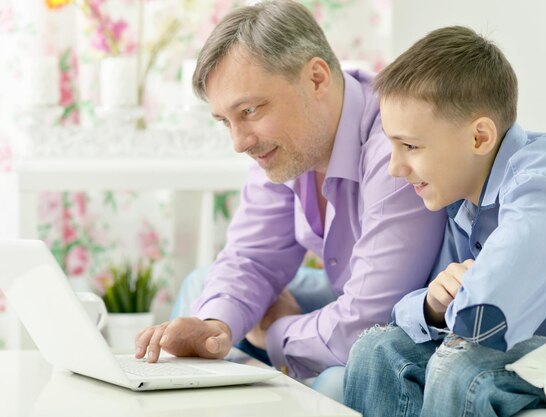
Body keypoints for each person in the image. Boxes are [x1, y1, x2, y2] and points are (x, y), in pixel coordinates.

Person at [134, 0, 446, 399]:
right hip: (351, 298)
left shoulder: (395, 147)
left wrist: (276, 332)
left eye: (249, 110)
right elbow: (251, 257)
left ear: (316, 79)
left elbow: (369, 322)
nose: (239, 141)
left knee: (337, 380)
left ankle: (261, 375)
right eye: (226, 121)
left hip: (406, 326)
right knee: (206, 293)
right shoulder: (289, 146)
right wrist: (215, 328)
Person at [344, 25, 546, 416]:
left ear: (479, 138)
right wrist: (432, 304)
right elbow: (418, 313)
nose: (395, 167)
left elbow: (484, 316)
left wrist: (456, 304)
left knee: (461, 366)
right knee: (377, 350)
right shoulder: (461, 203)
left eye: (409, 146)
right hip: (533, 342)